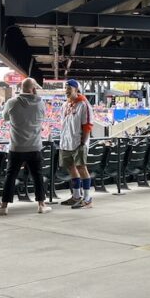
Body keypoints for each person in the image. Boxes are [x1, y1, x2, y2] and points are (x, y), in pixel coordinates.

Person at [0, 78, 51, 215]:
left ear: (21, 88)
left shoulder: (12, 102)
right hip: (34, 146)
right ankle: (41, 205)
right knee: (37, 176)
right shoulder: (41, 104)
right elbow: (42, 117)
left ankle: (4, 206)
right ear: (33, 89)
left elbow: (5, 118)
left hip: (16, 147)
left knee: (11, 176)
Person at [59, 79, 94, 208]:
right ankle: (76, 196)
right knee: (71, 168)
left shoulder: (84, 104)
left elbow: (88, 125)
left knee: (81, 168)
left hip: (78, 142)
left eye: (69, 88)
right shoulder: (65, 105)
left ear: (76, 89)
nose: (66, 91)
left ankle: (87, 198)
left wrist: (83, 142)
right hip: (66, 142)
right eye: (65, 88)